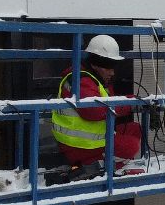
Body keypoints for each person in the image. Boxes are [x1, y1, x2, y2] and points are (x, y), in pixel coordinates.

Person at [52, 35, 142, 170]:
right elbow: (95, 110)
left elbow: (108, 101)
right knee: (131, 146)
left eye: (113, 66)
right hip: (80, 144)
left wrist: (135, 99)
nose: (112, 72)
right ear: (95, 64)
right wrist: (130, 104)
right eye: (108, 67)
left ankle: (102, 162)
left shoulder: (94, 78)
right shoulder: (82, 80)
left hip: (92, 138)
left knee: (135, 128)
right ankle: (94, 166)